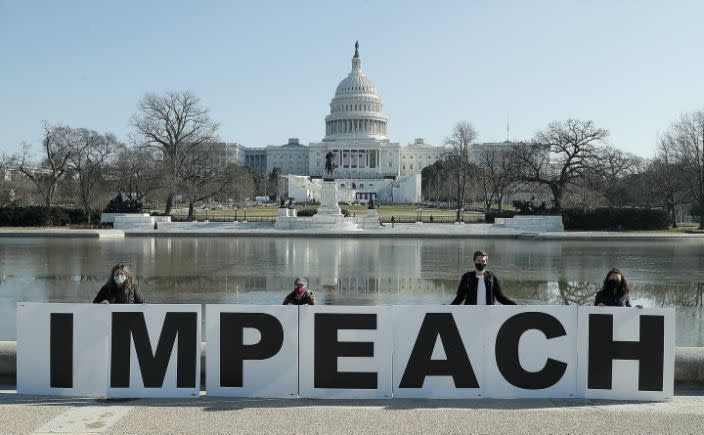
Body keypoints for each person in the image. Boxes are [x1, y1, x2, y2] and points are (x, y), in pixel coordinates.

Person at [450, 250, 516, 305]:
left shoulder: (491, 277)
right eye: (478, 261)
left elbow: (500, 297)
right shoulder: (467, 277)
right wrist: (448, 308)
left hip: (488, 313)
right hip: (470, 312)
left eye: (483, 261)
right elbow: (460, 297)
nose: (481, 263)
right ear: (474, 261)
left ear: (486, 262)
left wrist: (516, 306)